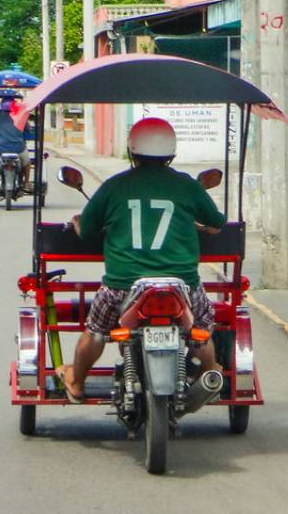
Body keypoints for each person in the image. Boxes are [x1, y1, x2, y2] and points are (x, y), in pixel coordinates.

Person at [58, 118, 226, 403]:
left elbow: (86, 231)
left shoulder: (114, 186)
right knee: (201, 331)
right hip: (182, 285)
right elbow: (217, 223)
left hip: (123, 285)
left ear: (132, 151)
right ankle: (210, 376)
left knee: (96, 332)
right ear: (171, 153)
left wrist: (77, 222)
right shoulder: (186, 186)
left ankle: (76, 380)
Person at [0, 97, 31, 190]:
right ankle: (26, 182)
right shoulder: (20, 116)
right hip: (19, 149)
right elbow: (28, 130)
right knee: (27, 163)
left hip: (1, 149)